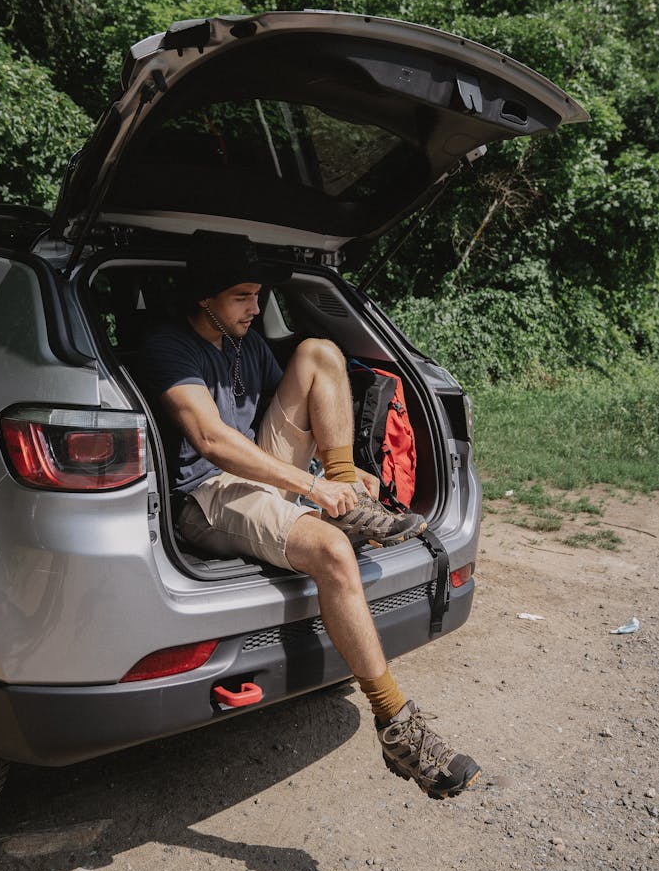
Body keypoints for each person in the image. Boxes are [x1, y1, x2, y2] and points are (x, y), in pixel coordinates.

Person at [140, 239, 480, 800]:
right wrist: (312, 488)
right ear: (204, 300)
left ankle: (350, 496)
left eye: (258, 296)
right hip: (206, 492)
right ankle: (398, 726)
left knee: (319, 351)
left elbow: (297, 405)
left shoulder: (241, 342)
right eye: (241, 298)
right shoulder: (168, 347)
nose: (254, 309)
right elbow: (211, 439)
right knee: (332, 552)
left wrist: (337, 473)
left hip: (257, 469)